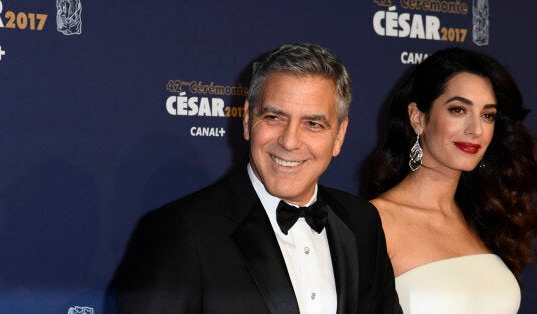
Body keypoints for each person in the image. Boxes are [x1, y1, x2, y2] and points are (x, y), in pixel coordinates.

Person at [108, 43, 400, 314]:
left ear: (339, 136)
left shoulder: (362, 223)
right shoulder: (182, 232)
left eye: (313, 124)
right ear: (248, 120)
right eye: (274, 117)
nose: (289, 141)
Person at [364, 47, 537, 313]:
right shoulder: (373, 222)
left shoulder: (485, 216)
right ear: (418, 118)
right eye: (458, 110)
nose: (476, 129)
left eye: (487, 115)